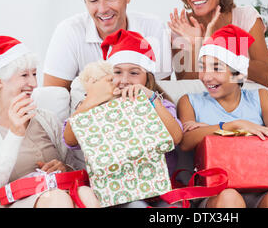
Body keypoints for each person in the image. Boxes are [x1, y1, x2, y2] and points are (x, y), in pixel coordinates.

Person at [0, 36, 100, 208]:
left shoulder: (46, 118)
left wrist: (64, 168)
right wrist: (15, 134)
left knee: (87, 194)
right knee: (57, 199)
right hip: (9, 202)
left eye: (34, 74)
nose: (33, 83)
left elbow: (73, 168)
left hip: (59, 193)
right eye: (24, 75)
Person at [177, 25, 268, 208]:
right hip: (217, 193)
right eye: (202, 68)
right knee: (230, 198)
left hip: (261, 188)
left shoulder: (260, 97)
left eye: (216, 68)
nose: (207, 77)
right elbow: (186, 141)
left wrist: (209, 130)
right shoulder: (190, 101)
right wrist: (233, 125)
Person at [63, 29, 183, 207]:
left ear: (147, 78)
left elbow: (175, 138)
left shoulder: (158, 103)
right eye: (117, 72)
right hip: (116, 191)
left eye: (134, 73)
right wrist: (93, 99)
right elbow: (70, 140)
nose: (125, 80)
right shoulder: (94, 106)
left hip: (159, 189)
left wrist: (150, 98)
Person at [43, 0, 172, 91]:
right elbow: (52, 99)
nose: (103, 9)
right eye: (93, 0)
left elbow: (161, 93)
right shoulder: (69, 32)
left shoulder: (153, 28)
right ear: (85, 0)